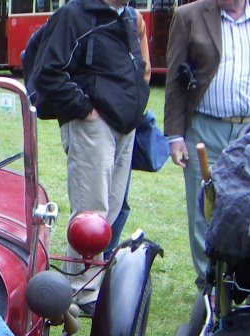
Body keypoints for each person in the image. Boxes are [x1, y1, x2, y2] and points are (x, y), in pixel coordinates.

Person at [31, 0, 149, 313]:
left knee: (107, 212)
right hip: (93, 126)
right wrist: (86, 111)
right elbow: (48, 72)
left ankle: (86, 286)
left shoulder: (126, 17)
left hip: (125, 126)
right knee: (91, 214)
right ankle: (81, 294)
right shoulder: (74, 14)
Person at [164, 0, 250, 289]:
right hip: (205, 131)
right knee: (204, 210)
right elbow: (175, 79)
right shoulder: (188, 16)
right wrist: (175, 136)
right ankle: (210, 289)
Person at [104, 2, 152, 258]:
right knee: (94, 203)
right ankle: (89, 264)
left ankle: (108, 253)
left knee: (120, 202)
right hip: (97, 123)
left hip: (125, 121)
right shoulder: (81, 14)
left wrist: (132, 107)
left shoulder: (134, 19)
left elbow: (144, 72)